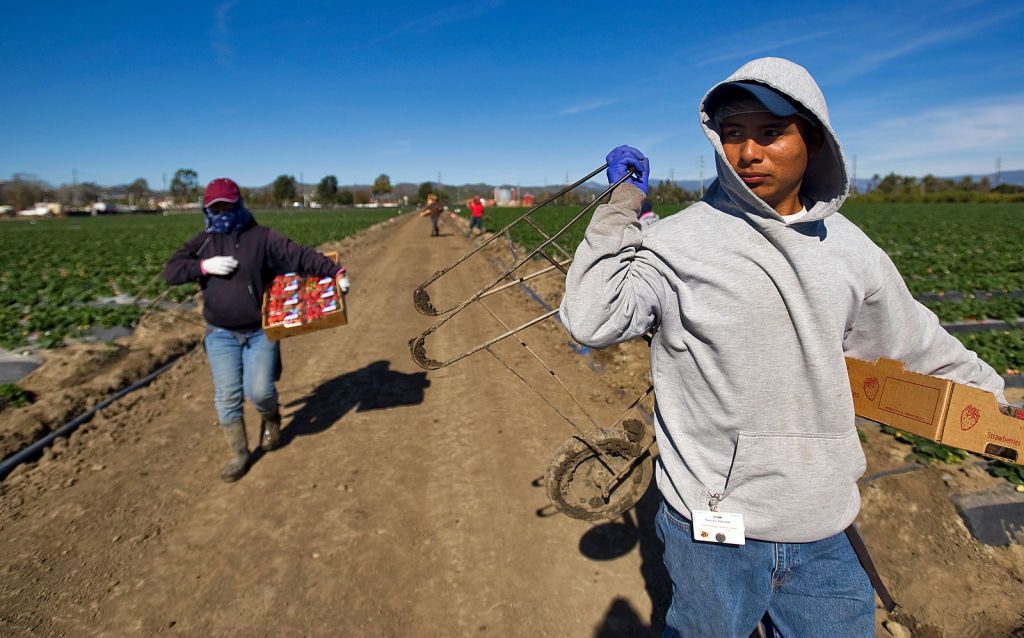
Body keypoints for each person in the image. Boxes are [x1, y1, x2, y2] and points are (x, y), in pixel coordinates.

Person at [559, 57, 1005, 636]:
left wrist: (999, 405)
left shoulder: (852, 252)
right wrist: (621, 208)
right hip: (713, 527)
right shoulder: (676, 242)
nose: (748, 153)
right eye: (733, 134)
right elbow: (591, 320)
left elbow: (918, 344)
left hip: (823, 524)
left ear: (812, 141)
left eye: (770, 133)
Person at [164, 178, 350, 483]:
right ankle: (239, 454)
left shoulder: (261, 237)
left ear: (239, 205)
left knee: (260, 391)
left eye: (227, 207)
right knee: (227, 396)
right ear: (207, 210)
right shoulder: (204, 243)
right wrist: (203, 267)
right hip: (220, 333)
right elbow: (171, 272)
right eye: (215, 208)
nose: (222, 214)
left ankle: (270, 415)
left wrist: (336, 272)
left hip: (259, 331)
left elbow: (299, 255)